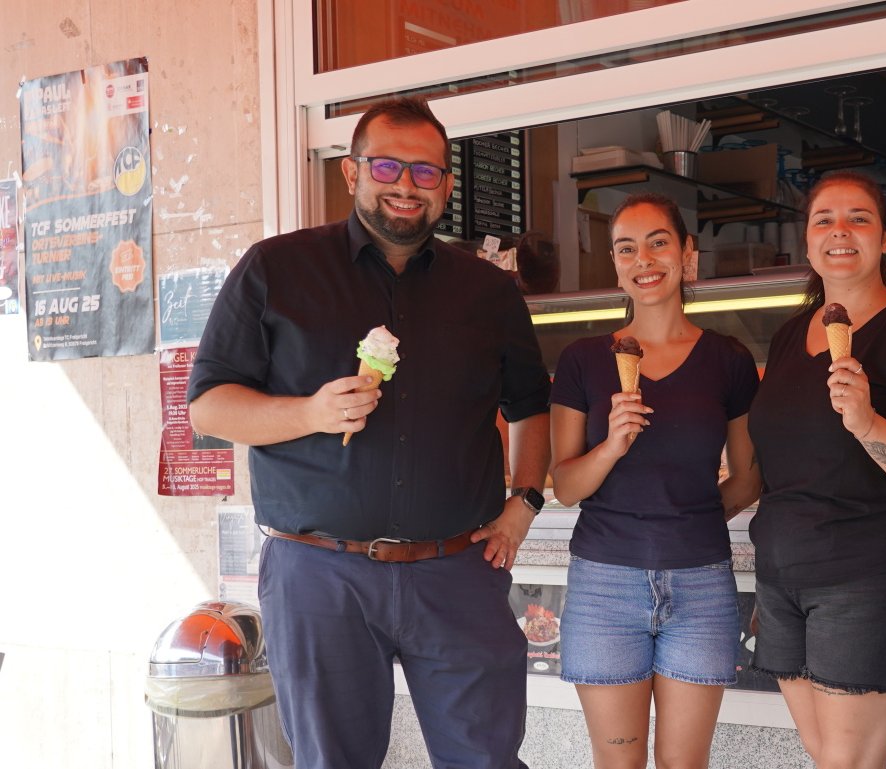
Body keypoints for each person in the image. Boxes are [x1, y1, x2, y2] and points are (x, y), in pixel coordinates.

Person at [187, 97, 550, 769]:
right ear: (351, 173)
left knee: (486, 758)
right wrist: (311, 413)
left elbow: (531, 404)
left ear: (445, 184)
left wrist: (523, 502)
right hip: (318, 572)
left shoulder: (486, 290)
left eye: (425, 171)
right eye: (386, 165)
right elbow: (209, 406)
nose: (406, 184)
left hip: (457, 570)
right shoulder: (276, 270)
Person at [748, 171, 886, 769]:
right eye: (824, 219)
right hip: (781, 577)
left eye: (859, 218)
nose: (839, 231)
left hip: (865, 576)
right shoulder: (792, 334)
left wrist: (869, 423)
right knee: (826, 757)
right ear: (808, 240)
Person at [548, 192, 762, 769]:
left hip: (701, 586)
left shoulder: (728, 359)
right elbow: (566, 486)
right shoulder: (582, 360)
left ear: (687, 255)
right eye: (626, 248)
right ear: (616, 266)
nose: (643, 259)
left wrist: (683, 518)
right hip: (603, 587)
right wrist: (612, 445)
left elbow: (746, 480)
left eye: (658, 242)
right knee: (618, 763)